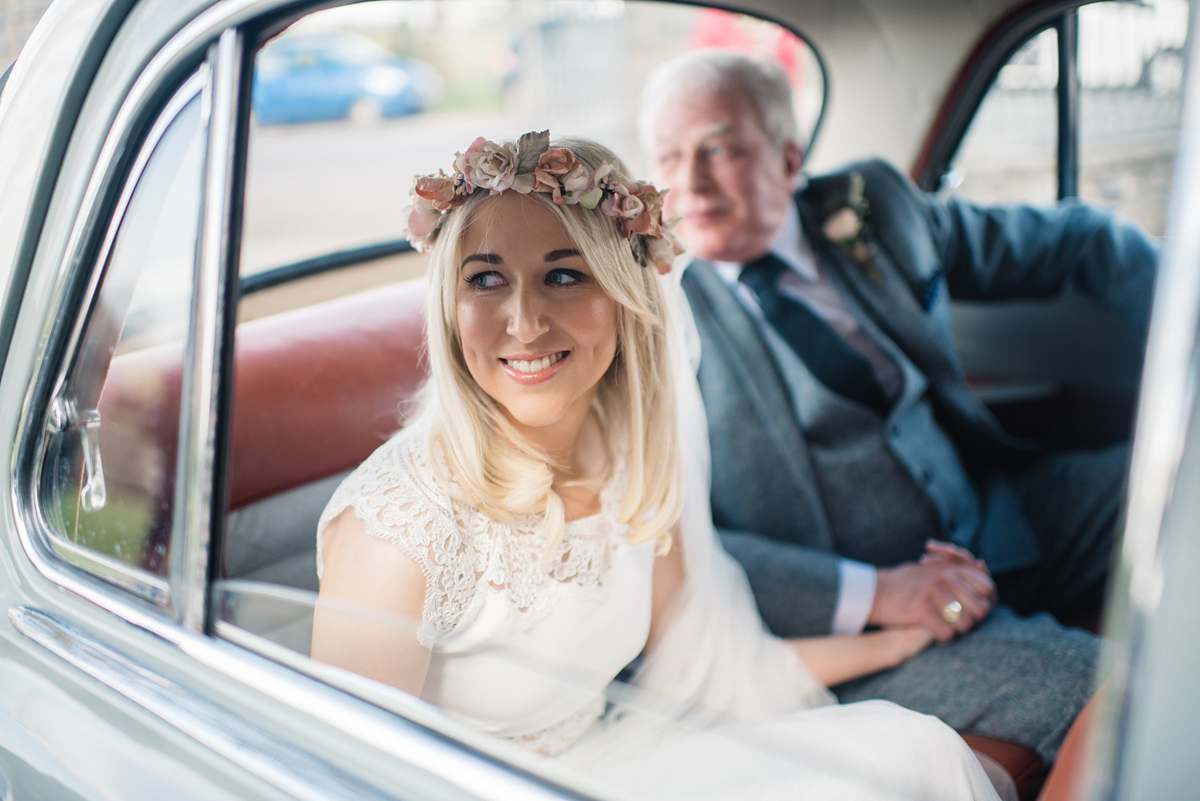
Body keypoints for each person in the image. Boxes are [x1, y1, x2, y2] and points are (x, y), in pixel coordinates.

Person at [310, 131, 1005, 800]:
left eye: (562, 275)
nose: (523, 321)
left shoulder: (634, 459)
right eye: (487, 278)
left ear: (623, 298)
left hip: (611, 760)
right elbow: (346, 779)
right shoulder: (398, 523)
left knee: (912, 750)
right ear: (448, 305)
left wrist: (901, 638)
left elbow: (721, 667)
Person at [640, 48, 1157, 763]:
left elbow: (1081, 241)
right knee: (1127, 696)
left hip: (1001, 511)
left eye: (719, 149)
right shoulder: (650, 320)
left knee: (1176, 488)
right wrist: (879, 594)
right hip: (877, 630)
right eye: (667, 159)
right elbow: (682, 545)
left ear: (790, 160)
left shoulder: (872, 206)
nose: (688, 183)